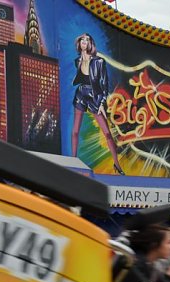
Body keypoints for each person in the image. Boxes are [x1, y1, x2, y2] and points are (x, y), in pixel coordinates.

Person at [71, 32, 124, 175]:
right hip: (81, 93)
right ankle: (73, 162)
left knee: (107, 133)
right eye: (82, 40)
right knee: (75, 131)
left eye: (87, 40)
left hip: (95, 97)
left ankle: (117, 165)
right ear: (79, 44)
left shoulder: (99, 62)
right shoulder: (78, 61)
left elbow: (105, 85)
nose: (85, 42)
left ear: (90, 44)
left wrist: (101, 103)